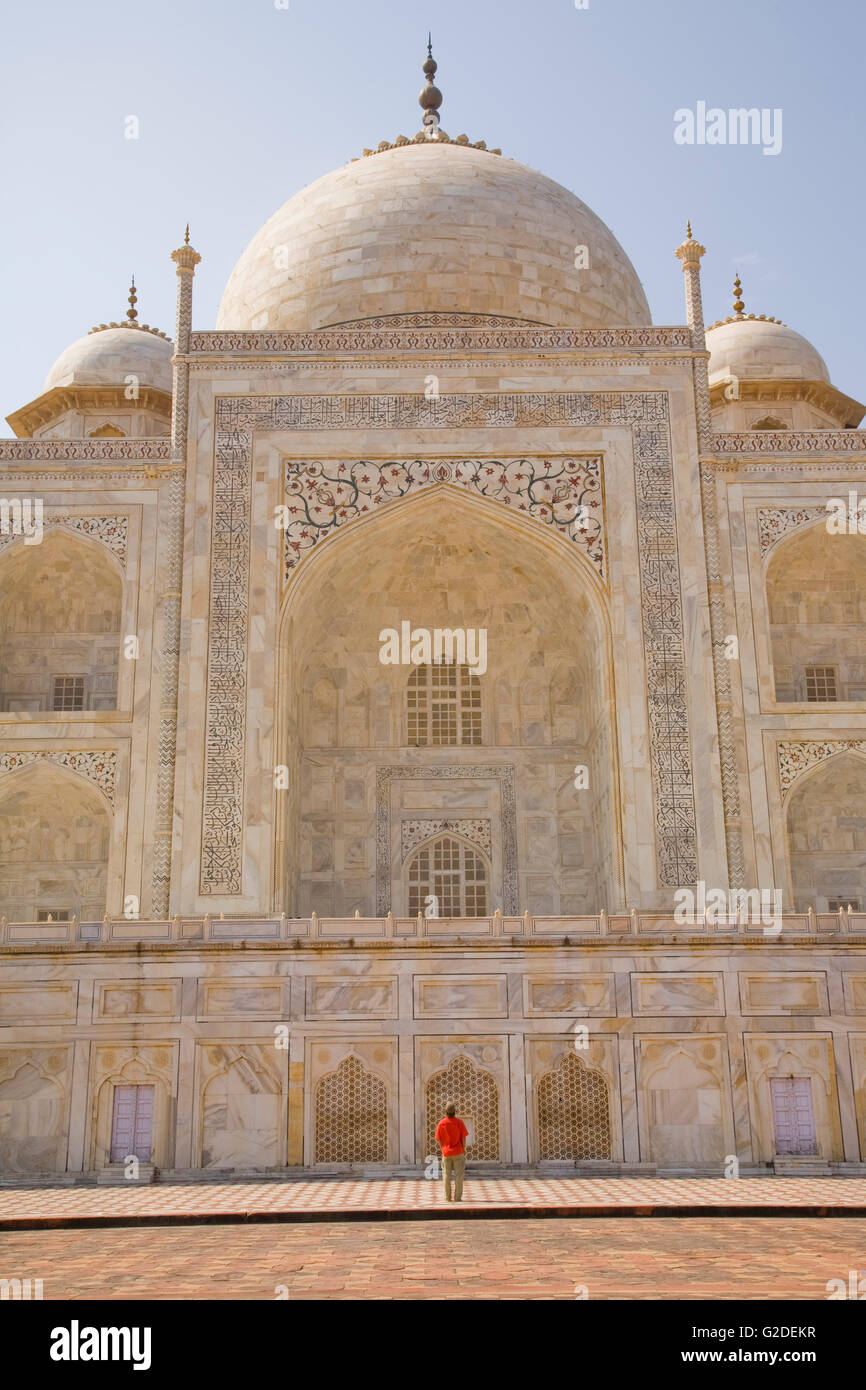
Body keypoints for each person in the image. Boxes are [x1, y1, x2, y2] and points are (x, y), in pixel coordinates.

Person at [435, 1101, 469, 1202]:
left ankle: (447, 1197)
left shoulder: (441, 1123)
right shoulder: (459, 1122)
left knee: (446, 1175)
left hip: (446, 1152)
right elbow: (463, 1137)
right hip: (458, 1152)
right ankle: (457, 1197)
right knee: (459, 1176)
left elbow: (438, 1138)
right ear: (455, 1111)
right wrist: (464, 1148)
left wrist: (442, 1148)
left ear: (445, 1111)